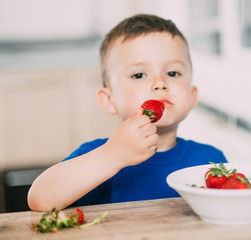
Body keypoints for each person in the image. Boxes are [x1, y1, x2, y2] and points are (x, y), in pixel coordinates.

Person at [27, 14, 227, 211]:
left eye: (172, 73)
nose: (160, 83)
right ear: (109, 100)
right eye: (139, 75)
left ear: (192, 96)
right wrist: (111, 156)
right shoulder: (99, 156)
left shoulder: (211, 159)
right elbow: (39, 199)